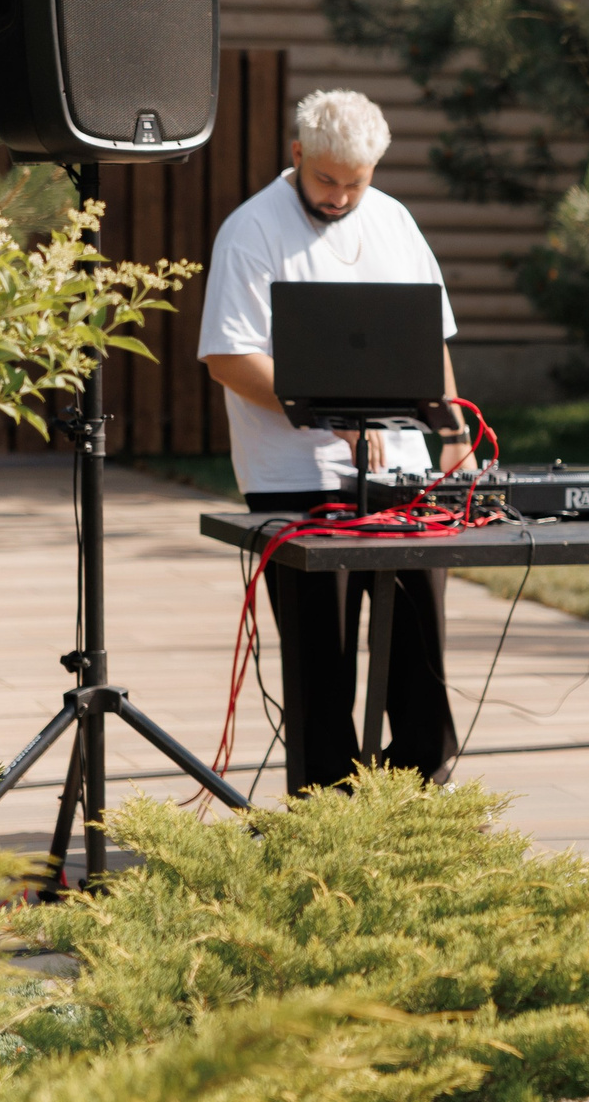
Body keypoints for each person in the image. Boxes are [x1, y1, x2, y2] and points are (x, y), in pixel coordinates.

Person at [197, 90, 472, 797]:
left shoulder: (395, 221)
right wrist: (331, 418)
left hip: (404, 475)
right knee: (324, 655)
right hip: (296, 478)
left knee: (420, 641)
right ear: (296, 155)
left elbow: (429, 338)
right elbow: (229, 356)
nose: (343, 196)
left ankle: (418, 797)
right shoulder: (251, 230)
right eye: (327, 179)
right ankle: (327, 804)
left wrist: (454, 430)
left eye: (358, 181)